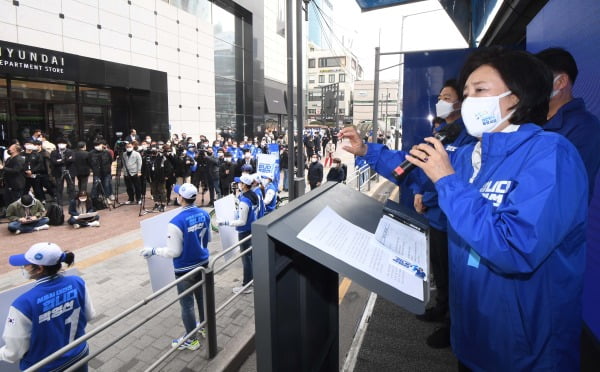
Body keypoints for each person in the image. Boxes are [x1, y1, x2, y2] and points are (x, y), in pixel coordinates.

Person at [345, 48, 588, 370]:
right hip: (473, 335)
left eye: (480, 90)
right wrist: (368, 151)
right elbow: (418, 174)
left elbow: (514, 246)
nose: (468, 101)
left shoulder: (551, 155)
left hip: (527, 348)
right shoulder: (470, 153)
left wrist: (447, 180)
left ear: (516, 97)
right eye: (467, 92)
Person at [535, 47, 600, 371]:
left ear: (560, 82)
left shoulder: (584, 128)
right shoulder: (535, 123)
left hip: (552, 251)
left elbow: (556, 194)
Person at [1, 242, 95, 370]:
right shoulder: (77, 281)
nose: (22, 267)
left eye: (25, 265)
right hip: (79, 354)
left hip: (45, 366)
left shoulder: (23, 304)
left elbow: (13, 353)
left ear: (39, 269)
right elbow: (90, 315)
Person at [140, 183, 210, 351]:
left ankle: (191, 339)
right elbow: (208, 240)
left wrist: (154, 250)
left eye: (178, 194)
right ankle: (206, 326)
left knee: (187, 304)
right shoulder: (204, 213)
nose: (176, 196)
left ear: (181, 198)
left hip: (185, 269)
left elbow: (174, 251)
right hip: (203, 262)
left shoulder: (176, 222)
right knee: (202, 297)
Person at [218, 174, 260, 294]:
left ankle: (246, 285)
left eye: (240, 183)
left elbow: (242, 221)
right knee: (250, 256)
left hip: (244, 232)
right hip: (251, 229)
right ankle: (252, 280)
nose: (238, 185)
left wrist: (225, 222)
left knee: (246, 258)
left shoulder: (245, 201)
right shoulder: (253, 195)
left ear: (244, 185)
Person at [50, 138, 76, 206]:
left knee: (71, 187)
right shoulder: (54, 152)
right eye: (59, 143)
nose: (61, 145)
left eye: (63, 143)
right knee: (59, 188)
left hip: (69, 171)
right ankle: (59, 202)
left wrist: (60, 160)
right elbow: (54, 161)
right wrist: (64, 160)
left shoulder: (71, 151)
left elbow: (72, 160)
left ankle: (72, 201)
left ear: (66, 144)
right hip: (58, 172)